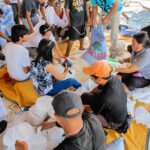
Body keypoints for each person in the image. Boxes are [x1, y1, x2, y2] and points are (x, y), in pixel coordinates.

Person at [15, 92, 106, 150]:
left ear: (56, 116)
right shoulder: (92, 118)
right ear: (82, 109)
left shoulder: (67, 147)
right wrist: (53, 123)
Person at [81, 61, 128, 133]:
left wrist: (80, 107)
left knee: (87, 116)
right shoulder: (113, 79)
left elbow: (90, 109)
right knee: (85, 96)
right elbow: (97, 89)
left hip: (114, 122)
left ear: (99, 79)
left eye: (92, 78)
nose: (91, 79)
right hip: (114, 108)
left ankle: (101, 131)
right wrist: (89, 94)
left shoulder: (105, 98)